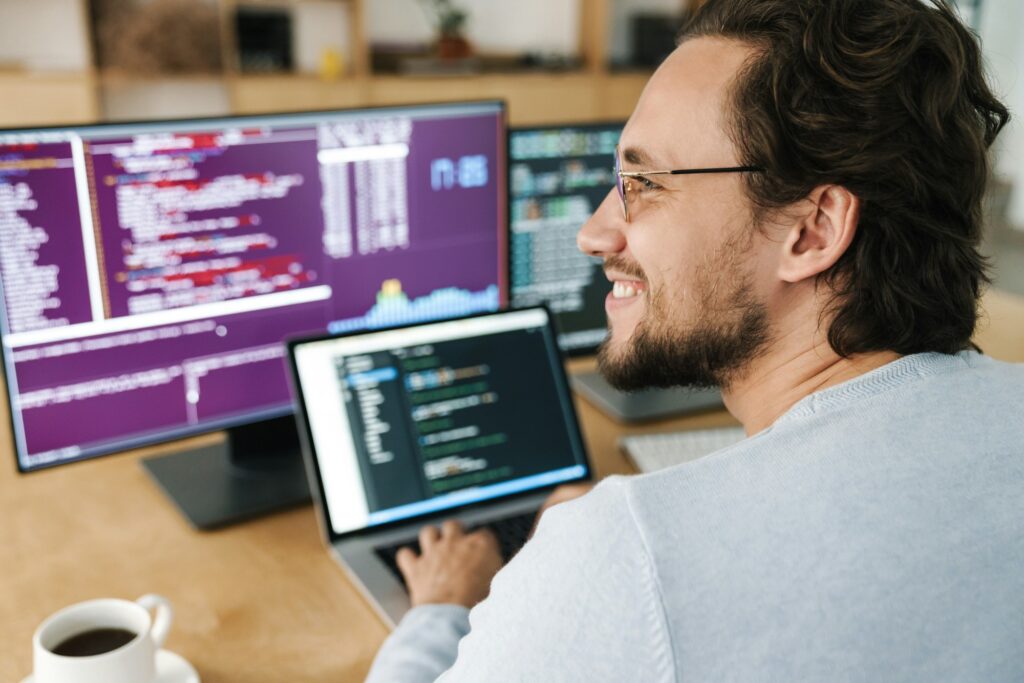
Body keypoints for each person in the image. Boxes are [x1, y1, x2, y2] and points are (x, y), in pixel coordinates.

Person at [367, 0, 1024, 680]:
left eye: (643, 184)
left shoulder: (626, 555)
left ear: (813, 230)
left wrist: (440, 609)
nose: (593, 233)